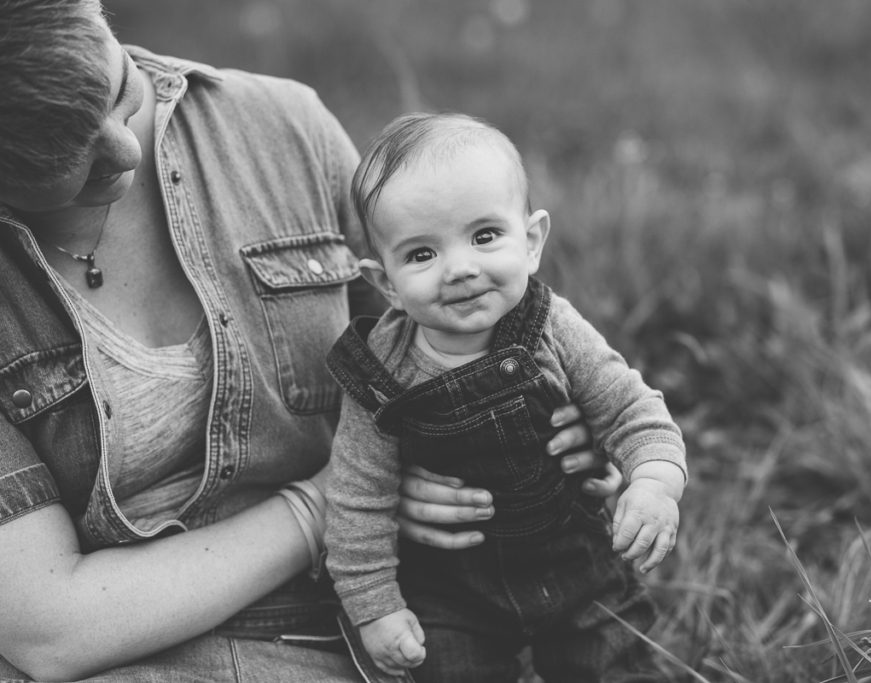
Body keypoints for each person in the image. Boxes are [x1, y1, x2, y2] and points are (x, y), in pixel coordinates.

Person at [0, 3, 617, 681]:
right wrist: (341, 501)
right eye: (63, 158)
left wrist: (546, 434)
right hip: (126, 659)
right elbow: (47, 630)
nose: (128, 150)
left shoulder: (283, 127)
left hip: (384, 623)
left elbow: (443, 334)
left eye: (119, 90)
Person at [324, 112, 688, 682]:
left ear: (533, 240)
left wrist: (654, 482)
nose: (461, 269)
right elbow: (355, 500)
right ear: (385, 283)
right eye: (422, 254)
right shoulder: (379, 376)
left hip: (576, 566)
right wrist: (375, 605)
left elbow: (631, 409)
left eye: (484, 236)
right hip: (449, 593)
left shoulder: (551, 327)